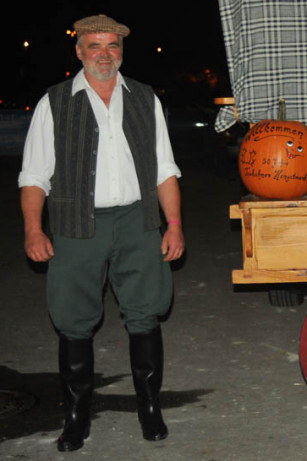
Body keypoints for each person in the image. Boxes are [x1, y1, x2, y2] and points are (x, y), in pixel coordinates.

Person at [18, 14, 184, 451]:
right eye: (95, 45)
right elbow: (34, 176)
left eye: (112, 45)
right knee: (73, 320)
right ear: (79, 51)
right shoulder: (54, 102)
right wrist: (34, 229)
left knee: (146, 313)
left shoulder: (146, 98)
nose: (104, 54)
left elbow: (165, 169)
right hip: (76, 224)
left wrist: (175, 225)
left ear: (122, 51)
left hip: (138, 219)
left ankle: (149, 406)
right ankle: (76, 416)